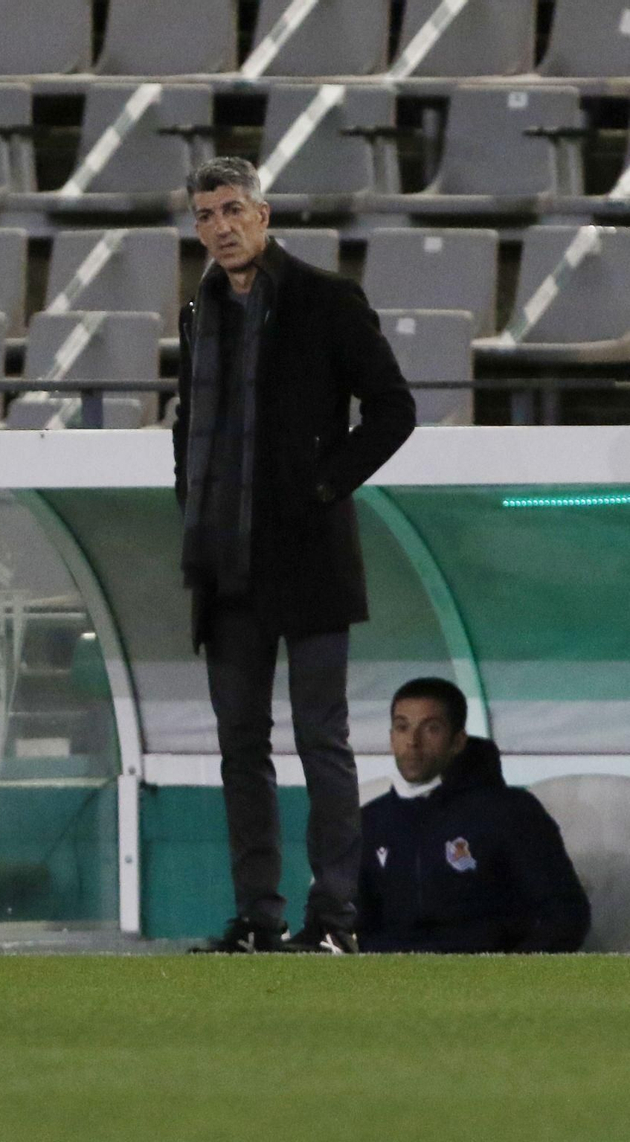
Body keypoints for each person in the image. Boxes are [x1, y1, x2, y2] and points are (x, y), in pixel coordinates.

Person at [174, 158, 417, 954]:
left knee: (321, 738)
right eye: (206, 214)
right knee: (240, 747)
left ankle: (335, 920)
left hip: (308, 556)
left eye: (231, 209)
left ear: (263, 214)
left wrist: (321, 485)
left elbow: (394, 409)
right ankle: (258, 917)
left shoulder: (326, 299)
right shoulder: (198, 312)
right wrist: (191, 501)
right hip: (225, 561)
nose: (220, 226)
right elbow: (188, 426)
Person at [358, 678, 590, 953]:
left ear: (458, 741)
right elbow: (348, 922)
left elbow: (565, 915)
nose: (413, 742)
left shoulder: (510, 811)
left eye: (431, 728)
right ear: (391, 737)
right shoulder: (369, 821)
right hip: (391, 976)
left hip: (488, 974)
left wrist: (510, 973)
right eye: (402, 727)